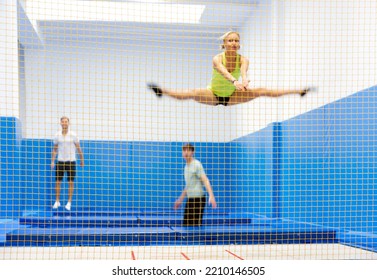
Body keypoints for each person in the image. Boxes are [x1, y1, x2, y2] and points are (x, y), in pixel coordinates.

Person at [148, 31, 315, 106]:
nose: (233, 43)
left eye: (236, 41)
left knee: (261, 90)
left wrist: (244, 81)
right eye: (230, 41)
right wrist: (235, 81)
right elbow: (223, 72)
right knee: (192, 92)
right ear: (224, 44)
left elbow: (243, 72)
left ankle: (298, 91)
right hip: (213, 94)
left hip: (232, 97)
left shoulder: (243, 59)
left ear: (239, 44)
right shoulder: (217, 58)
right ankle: (163, 91)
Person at [174, 143, 217, 226]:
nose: (186, 152)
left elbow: (205, 180)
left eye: (188, 150)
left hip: (198, 200)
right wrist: (180, 200)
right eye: (184, 150)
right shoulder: (186, 167)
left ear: (192, 152)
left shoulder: (196, 164)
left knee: (195, 226)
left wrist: (211, 195)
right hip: (190, 200)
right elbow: (188, 186)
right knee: (186, 225)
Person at [51, 116, 84, 211]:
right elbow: (54, 150)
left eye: (66, 122)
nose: (64, 123)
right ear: (60, 123)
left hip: (71, 162)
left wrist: (82, 160)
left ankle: (69, 202)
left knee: (70, 183)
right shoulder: (57, 135)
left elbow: (78, 148)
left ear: (68, 123)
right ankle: (57, 201)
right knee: (57, 182)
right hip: (60, 161)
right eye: (63, 122)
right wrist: (53, 161)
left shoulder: (73, 135)